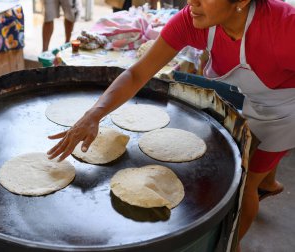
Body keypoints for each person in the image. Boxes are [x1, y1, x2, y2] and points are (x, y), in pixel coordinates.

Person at [48, 0, 295, 250]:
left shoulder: (286, 28)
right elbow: (136, 74)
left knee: (246, 183)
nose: (192, 2)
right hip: (253, 99)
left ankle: (232, 245)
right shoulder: (193, 18)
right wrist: (94, 114)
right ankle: (269, 182)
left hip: (287, 110)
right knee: (255, 159)